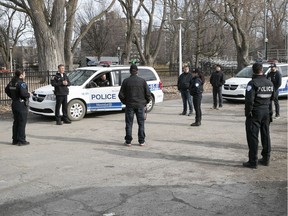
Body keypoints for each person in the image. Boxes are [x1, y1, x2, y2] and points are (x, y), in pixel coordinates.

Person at [243, 63, 274, 169]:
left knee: (253, 137)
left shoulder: (252, 83)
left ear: (253, 71)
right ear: (262, 70)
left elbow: (249, 101)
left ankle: (253, 161)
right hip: (266, 111)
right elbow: (272, 99)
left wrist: (248, 113)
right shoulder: (269, 83)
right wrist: (270, 113)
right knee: (266, 135)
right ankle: (266, 158)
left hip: (255, 113)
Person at [118, 64, 152, 147]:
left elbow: (120, 95)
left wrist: (125, 102)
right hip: (140, 105)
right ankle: (141, 141)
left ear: (130, 71)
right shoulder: (142, 81)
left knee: (129, 124)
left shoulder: (126, 81)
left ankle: (128, 141)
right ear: (137, 71)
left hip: (129, 105)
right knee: (141, 123)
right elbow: (148, 95)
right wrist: (145, 102)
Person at [5, 70, 32, 146]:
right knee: (22, 122)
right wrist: (29, 94)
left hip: (15, 103)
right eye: (24, 74)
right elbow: (23, 94)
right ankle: (21, 140)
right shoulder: (21, 83)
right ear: (21, 75)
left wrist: (13, 97)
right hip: (21, 104)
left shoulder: (12, 82)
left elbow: (6, 90)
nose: (25, 75)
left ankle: (15, 140)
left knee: (16, 122)